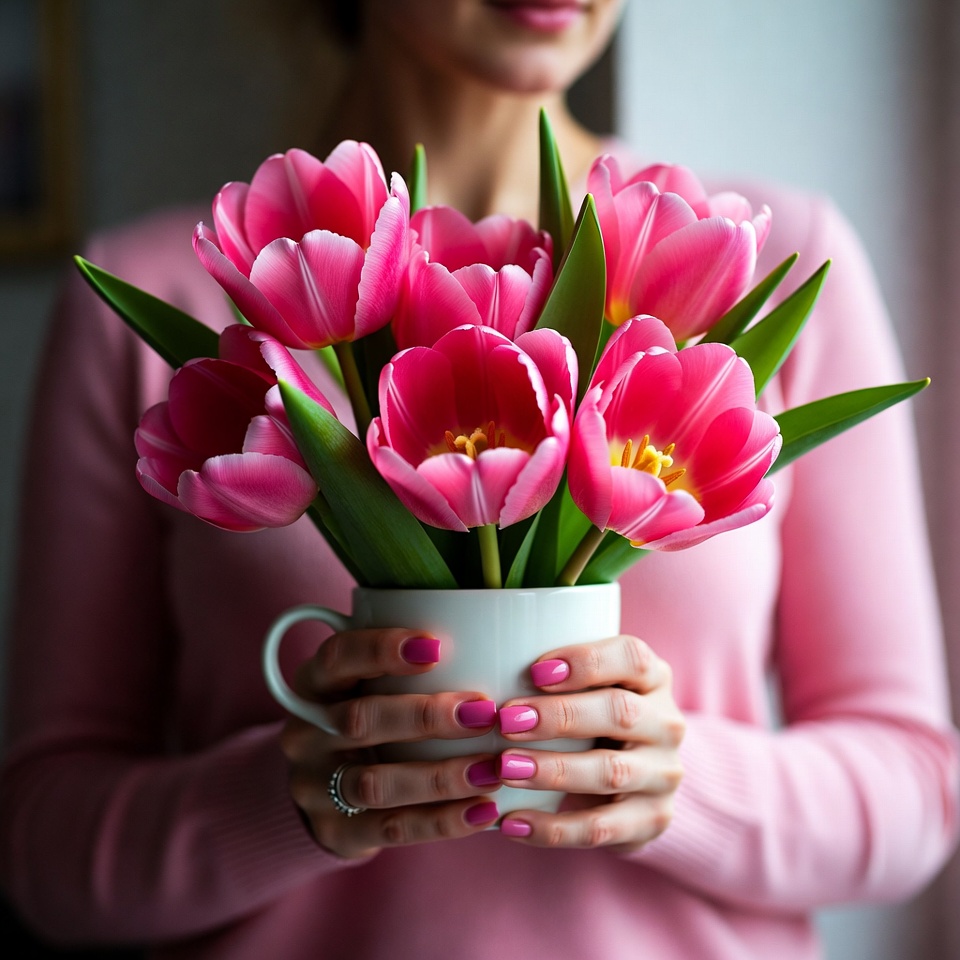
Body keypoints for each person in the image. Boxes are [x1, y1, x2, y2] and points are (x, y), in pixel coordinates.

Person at [1, 1, 957, 957]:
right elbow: (44, 847)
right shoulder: (167, 298)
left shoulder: (744, 262)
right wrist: (289, 799)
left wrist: (680, 784)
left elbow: (916, 792)